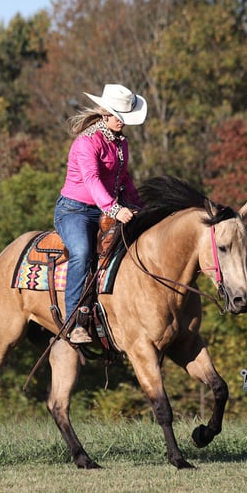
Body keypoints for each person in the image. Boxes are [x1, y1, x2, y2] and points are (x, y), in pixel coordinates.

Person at [54, 83, 147, 344]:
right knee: (82, 252)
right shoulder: (86, 142)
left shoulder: (121, 143)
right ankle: (73, 322)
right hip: (75, 211)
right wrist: (116, 209)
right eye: (119, 116)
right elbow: (92, 180)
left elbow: (124, 179)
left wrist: (140, 208)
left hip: (105, 209)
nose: (123, 122)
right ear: (105, 113)